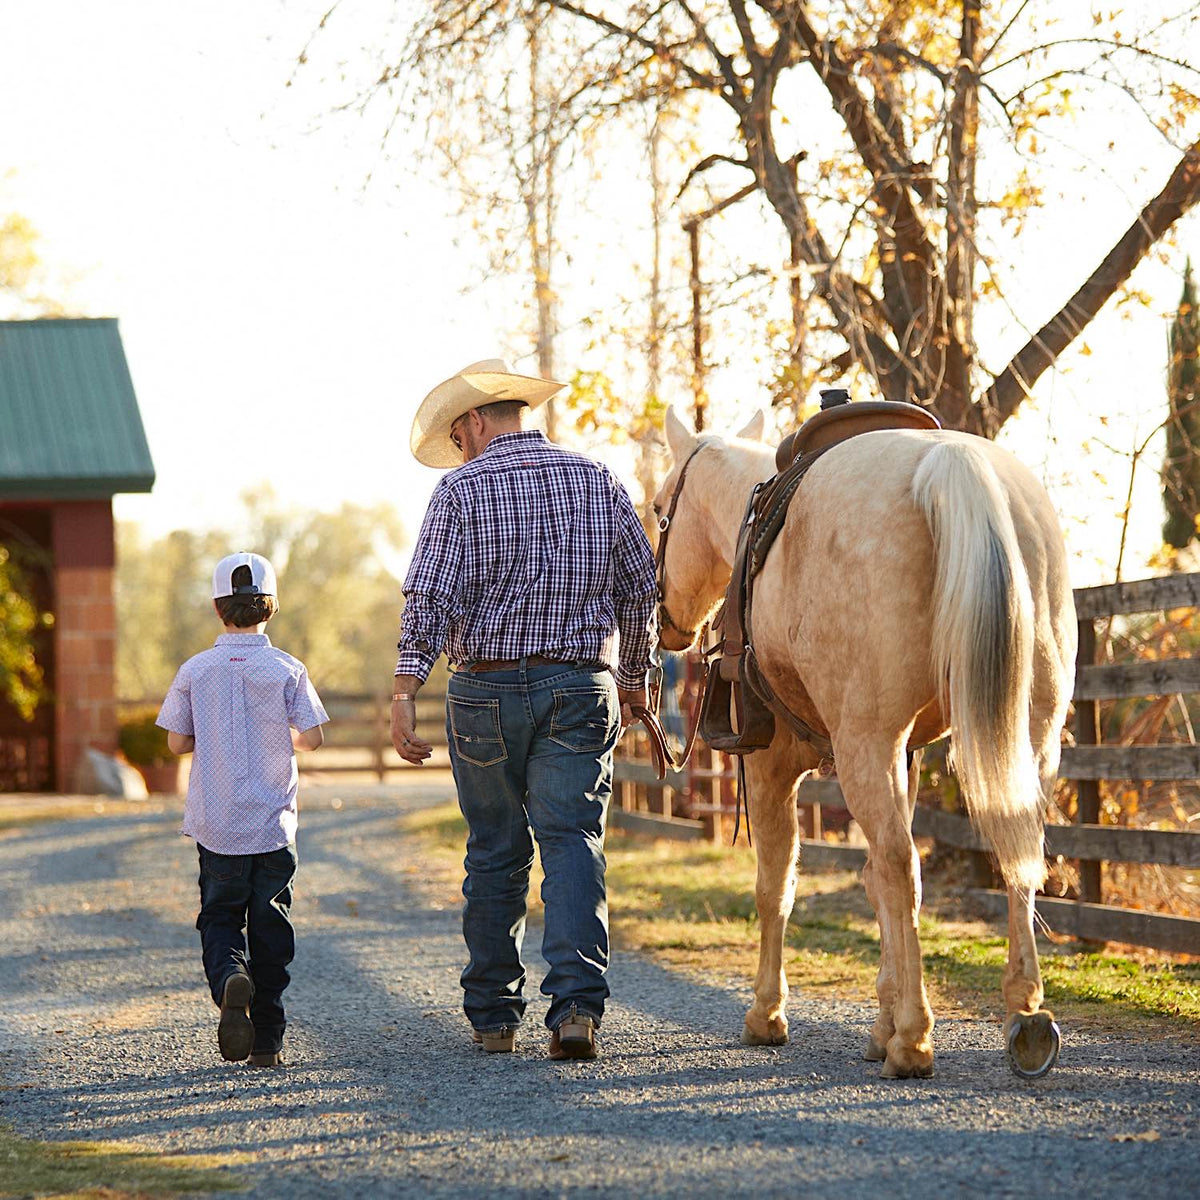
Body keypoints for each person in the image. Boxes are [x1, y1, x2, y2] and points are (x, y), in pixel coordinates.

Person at [392, 358, 657, 1061]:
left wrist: (404, 689)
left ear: (477, 420)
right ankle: (575, 1010)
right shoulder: (598, 480)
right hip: (578, 686)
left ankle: (494, 1017)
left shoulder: (459, 493)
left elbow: (430, 599)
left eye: (458, 435)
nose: (459, 449)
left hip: (484, 689)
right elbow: (641, 588)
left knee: (495, 850)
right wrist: (634, 679)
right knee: (572, 841)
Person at [157, 552, 328, 1067]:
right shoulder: (286, 669)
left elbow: (175, 744)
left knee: (220, 916)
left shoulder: (196, 669)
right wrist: (281, 736)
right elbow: (315, 738)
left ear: (217, 608)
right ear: (270, 609)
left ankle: (231, 973)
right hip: (273, 824)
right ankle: (268, 1042)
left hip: (218, 823)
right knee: (271, 924)